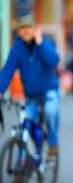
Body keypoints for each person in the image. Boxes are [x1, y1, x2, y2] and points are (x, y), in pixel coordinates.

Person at [0, 15, 60, 155]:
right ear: (19, 31)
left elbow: (53, 61)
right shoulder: (17, 47)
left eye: (29, 27)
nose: (26, 30)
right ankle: (23, 167)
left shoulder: (45, 43)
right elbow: (8, 69)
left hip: (48, 91)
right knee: (25, 127)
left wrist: (40, 43)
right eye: (23, 28)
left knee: (50, 112)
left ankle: (52, 144)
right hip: (31, 95)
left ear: (35, 29)